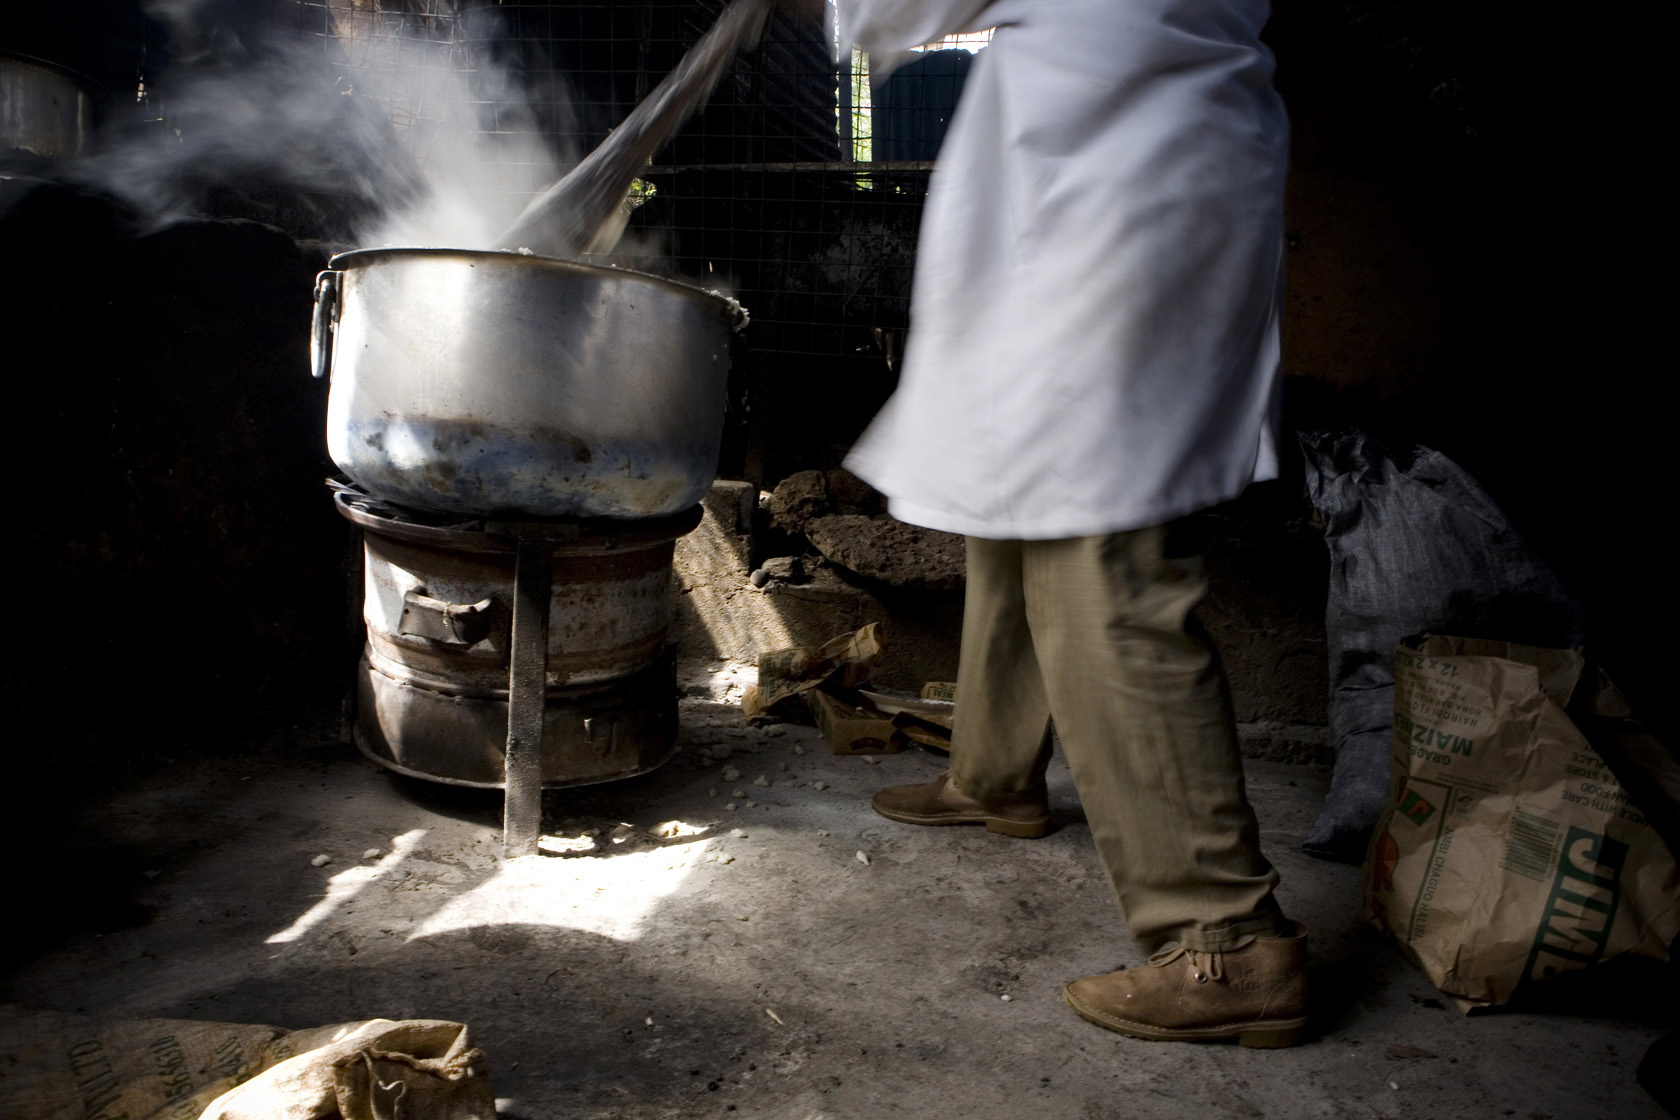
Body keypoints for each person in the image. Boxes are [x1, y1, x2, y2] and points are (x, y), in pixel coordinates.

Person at [830, 0, 1308, 1046]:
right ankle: (995, 775)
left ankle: (1226, 938)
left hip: (1116, 210)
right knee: (1021, 498)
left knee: (1101, 554)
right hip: (1136, 176)